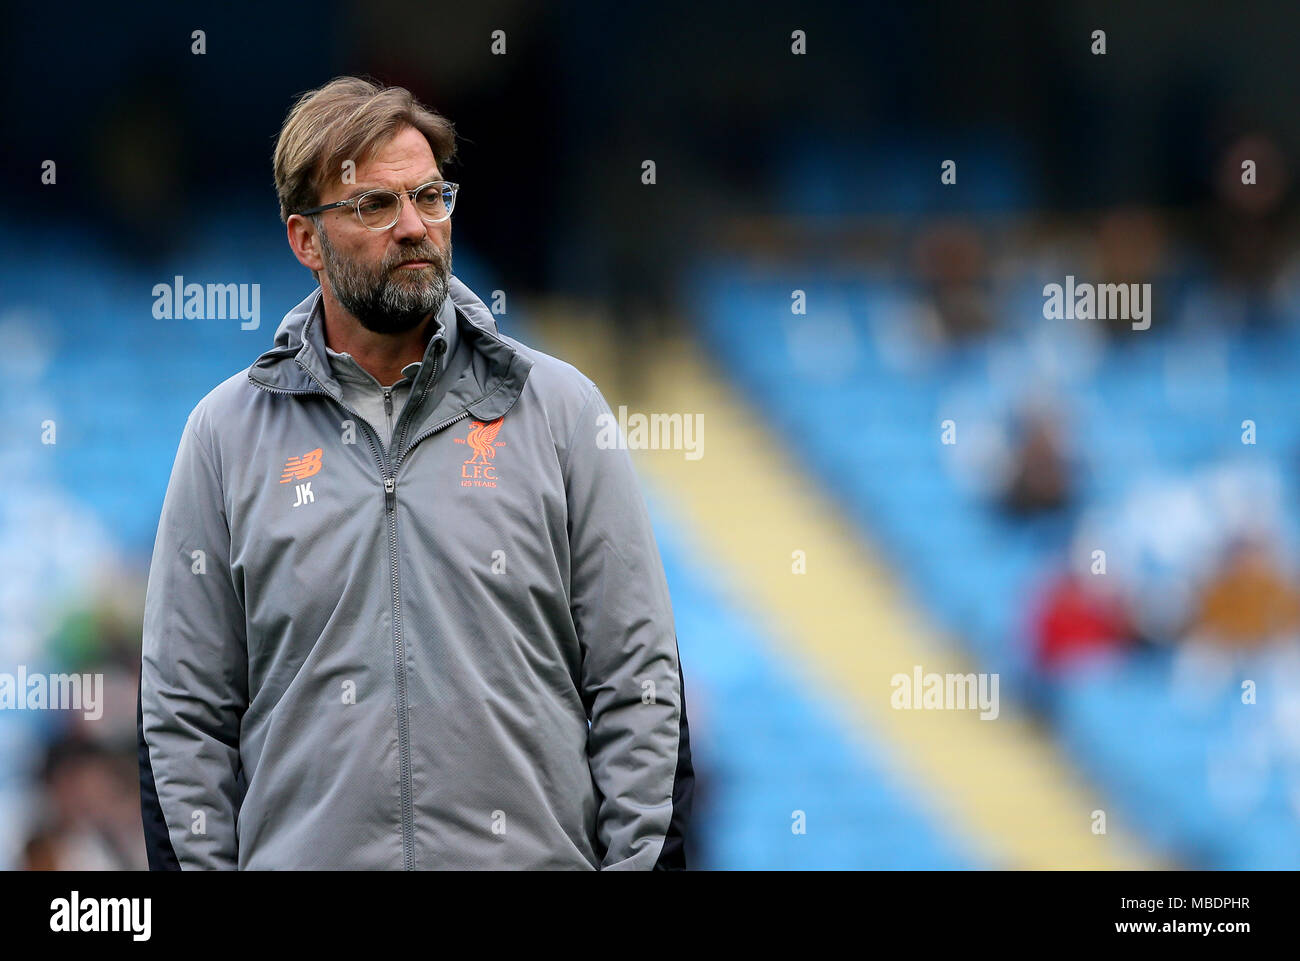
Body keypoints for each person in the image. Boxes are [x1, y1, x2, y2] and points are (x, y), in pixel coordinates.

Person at [137, 76, 693, 870]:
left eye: (431, 197)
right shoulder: (223, 438)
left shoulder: (562, 412)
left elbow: (640, 683)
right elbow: (180, 718)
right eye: (375, 206)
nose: (414, 227)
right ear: (305, 239)